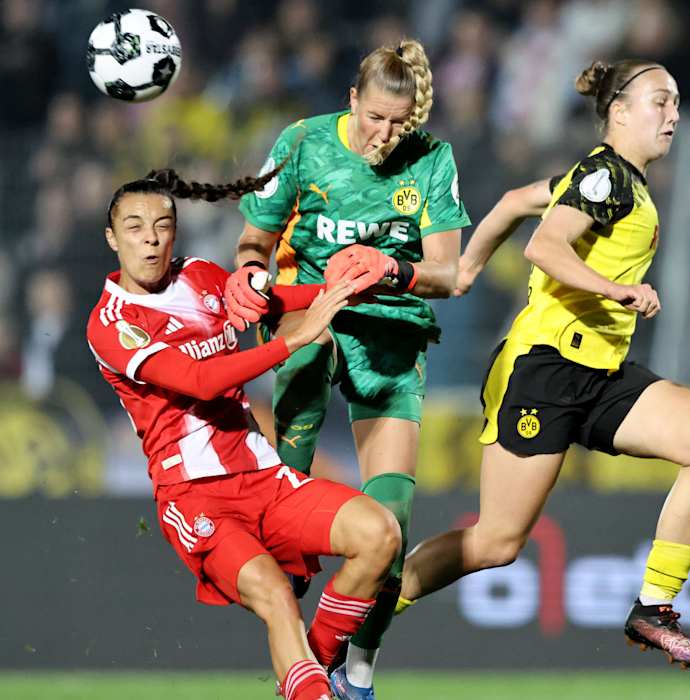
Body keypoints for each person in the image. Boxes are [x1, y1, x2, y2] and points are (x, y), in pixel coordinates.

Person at [396, 59, 690, 671]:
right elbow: (544, 245)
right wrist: (616, 289)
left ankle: (653, 608)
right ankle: (368, 602)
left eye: (677, 103)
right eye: (660, 101)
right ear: (620, 111)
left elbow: (513, 203)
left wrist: (466, 270)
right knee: (496, 542)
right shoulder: (606, 175)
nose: (674, 115)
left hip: (600, 372)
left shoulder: (605, 179)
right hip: (545, 369)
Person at [85, 168, 402, 700]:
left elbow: (272, 302)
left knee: (380, 535)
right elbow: (198, 381)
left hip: (263, 476)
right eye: (135, 227)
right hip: (194, 496)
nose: (151, 239)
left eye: (163, 225)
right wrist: (293, 341)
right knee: (276, 595)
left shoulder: (203, 276)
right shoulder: (111, 322)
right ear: (112, 238)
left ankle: (315, 674)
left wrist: (346, 286)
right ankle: (316, 682)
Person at [227, 38, 469, 698]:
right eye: (375, 118)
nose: (384, 135)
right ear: (352, 100)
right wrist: (249, 272)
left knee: (393, 521)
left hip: (391, 336)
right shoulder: (303, 143)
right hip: (314, 313)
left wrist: (392, 267)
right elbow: (255, 238)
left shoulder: (432, 159)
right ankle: (289, 546)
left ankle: (353, 667)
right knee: (306, 357)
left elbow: (449, 273)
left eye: (399, 123)